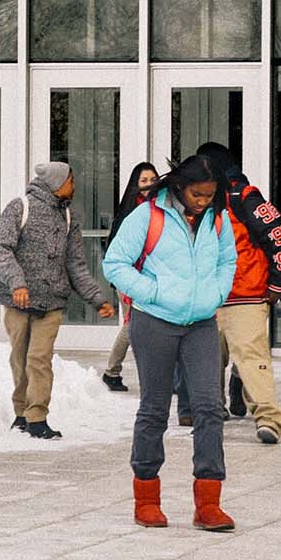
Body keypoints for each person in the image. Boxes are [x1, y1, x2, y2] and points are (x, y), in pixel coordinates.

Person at [100, 155, 238, 530]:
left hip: (201, 323)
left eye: (210, 195)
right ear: (179, 186)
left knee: (210, 408)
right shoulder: (147, 216)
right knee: (154, 409)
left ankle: (208, 503)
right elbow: (115, 264)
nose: (203, 201)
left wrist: (216, 293)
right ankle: (146, 498)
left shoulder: (218, 218)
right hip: (154, 322)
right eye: (197, 193)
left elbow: (228, 261)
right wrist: (154, 292)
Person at [0, 160, 117, 439]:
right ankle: (21, 412)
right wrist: (18, 283)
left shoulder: (69, 217)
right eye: (71, 181)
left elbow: (76, 265)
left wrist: (97, 299)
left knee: (39, 358)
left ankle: (37, 417)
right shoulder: (19, 207)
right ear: (57, 183)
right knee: (20, 359)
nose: (74, 186)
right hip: (17, 301)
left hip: (52, 301)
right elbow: (1, 249)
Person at [199, 143, 281, 447]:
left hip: (245, 293)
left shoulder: (244, 197)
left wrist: (280, 284)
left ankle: (268, 417)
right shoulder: (195, 199)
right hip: (207, 295)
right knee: (206, 359)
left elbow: (279, 237)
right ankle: (210, 410)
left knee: (252, 357)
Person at [101, 161, 161, 391]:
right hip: (130, 277)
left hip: (151, 277)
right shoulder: (131, 211)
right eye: (143, 181)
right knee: (132, 325)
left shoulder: (160, 207)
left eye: (152, 180)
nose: (148, 185)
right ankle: (111, 371)